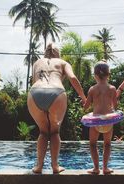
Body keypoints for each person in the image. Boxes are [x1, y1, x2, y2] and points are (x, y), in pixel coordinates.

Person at [28, 43, 86, 174]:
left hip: (35, 91)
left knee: (43, 132)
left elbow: (34, 80)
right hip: (57, 91)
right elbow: (73, 78)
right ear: (58, 53)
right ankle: (55, 166)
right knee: (54, 132)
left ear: (45, 53)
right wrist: (83, 97)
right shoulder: (63, 62)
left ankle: (39, 167)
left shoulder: (37, 62)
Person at [84, 61, 118, 175]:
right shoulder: (112, 88)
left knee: (93, 144)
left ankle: (96, 168)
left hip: (95, 122)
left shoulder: (93, 89)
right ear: (108, 75)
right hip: (108, 121)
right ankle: (105, 168)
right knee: (107, 144)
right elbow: (115, 106)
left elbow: (86, 107)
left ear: (95, 76)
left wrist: (84, 103)